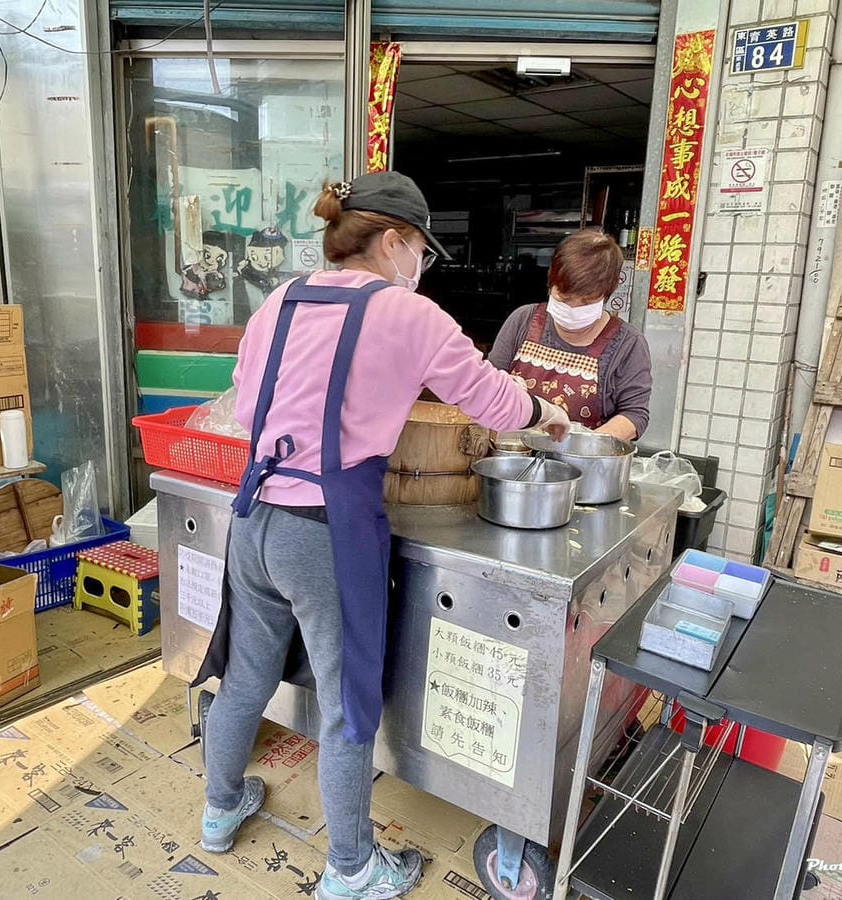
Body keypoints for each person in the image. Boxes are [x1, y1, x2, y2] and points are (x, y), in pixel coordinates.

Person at [194, 171, 569, 900]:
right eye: (421, 251)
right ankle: (352, 869)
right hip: (326, 531)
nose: (420, 266)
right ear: (394, 242)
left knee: (246, 674)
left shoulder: (280, 300)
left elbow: (245, 404)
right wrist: (543, 410)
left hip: (255, 513)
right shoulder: (407, 314)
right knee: (347, 705)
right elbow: (489, 399)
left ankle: (219, 810)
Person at [489, 229, 652, 441]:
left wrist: (583, 445)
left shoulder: (628, 344)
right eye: (563, 298)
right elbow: (488, 382)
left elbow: (634, 415)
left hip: (581, 459)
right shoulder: (523, 320)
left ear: (607, 294)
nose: (573, 309)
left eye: (586, 302)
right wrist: (504, 385)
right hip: (512, 450)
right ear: (551, 283)